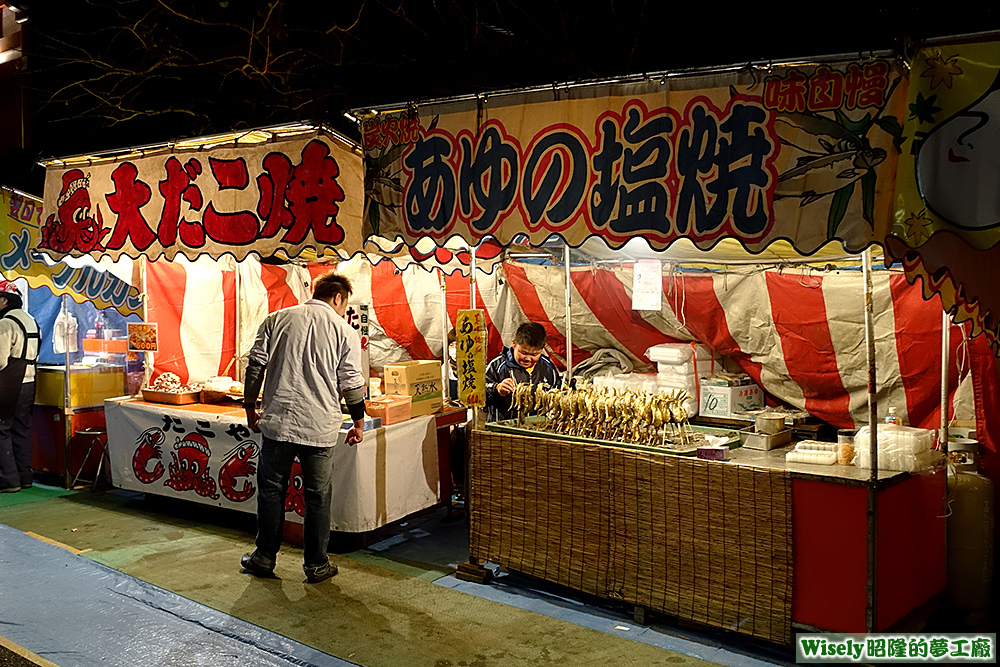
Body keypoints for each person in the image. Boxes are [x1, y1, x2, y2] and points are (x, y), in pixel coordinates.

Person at [240, 271, 367, 583]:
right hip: (319, 428)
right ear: (338, 298)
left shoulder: (276, 319)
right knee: (317, 497)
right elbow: (350, 384)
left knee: (271, 491)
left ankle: (264, 557)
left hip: (277, 422)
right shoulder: (344, 331)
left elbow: (255, 365)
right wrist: (358, 422)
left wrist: (249, 408)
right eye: (344, 303)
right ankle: (316, 565)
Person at [0, 280, 40, 493]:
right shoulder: (30, 320)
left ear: (4, 300)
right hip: (29, 381)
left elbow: (0, 360)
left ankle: (8, 480)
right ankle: (25, 476)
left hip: (9, 383)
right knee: (21, 428)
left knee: (2, 429)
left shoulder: (6, 323)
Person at [484, 322, 561, 423]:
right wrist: (497, 389)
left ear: (542, 350)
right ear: (514, 344)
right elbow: (478, 395)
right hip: (503, 428)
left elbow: (559, 392)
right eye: (523, 353)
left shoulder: (548, 367)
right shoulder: (497, 366)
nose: (528, 359)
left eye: (534, 354)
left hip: (537, 428)